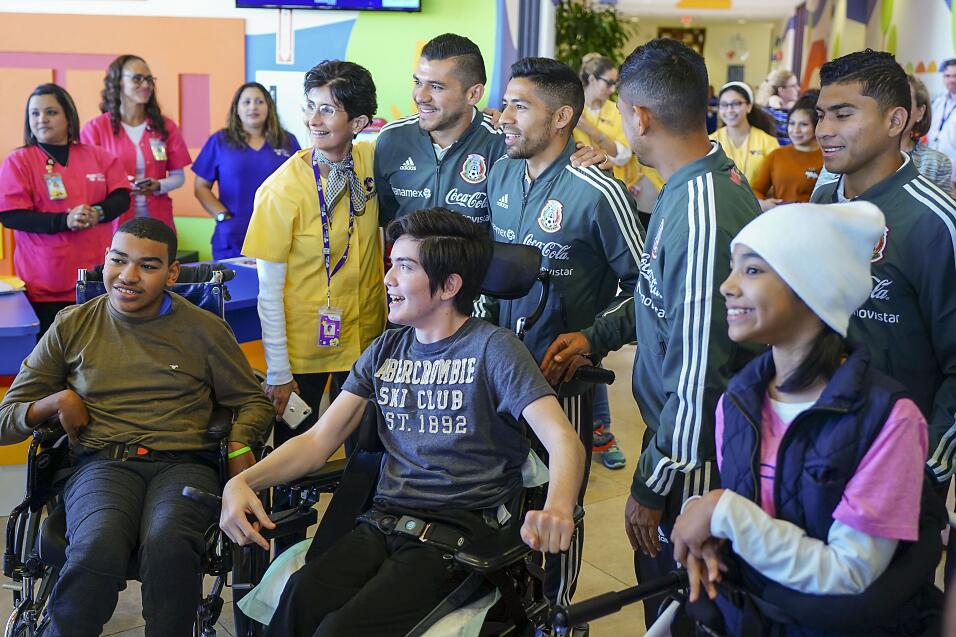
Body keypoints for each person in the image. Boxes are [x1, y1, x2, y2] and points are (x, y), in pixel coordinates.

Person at [219, 207, 585, 637]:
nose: (388, 279)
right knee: (299, 599)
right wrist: (242, 483)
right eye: (391, 264)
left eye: (405, 267)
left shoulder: (495, 349)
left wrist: (558, 506)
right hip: (381, 521)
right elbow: (318, 438)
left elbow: (563, 440)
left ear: (449, 285)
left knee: (340, 630)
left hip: (456, 538)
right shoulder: (386, 349)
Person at [0, 217, 274, 637]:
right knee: (96, 546)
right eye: (118, 260)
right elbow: (6, 419)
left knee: (169, 547)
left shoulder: (204, 330)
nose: (128, 276)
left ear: (172, 273)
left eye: (147, 266)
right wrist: (55, 402)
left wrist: (239, 444)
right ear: (105, 260)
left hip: (184, 463)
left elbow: (252, 400)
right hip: (102, 464)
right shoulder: (73, 325)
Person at [671, 201, 935, 635]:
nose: (727, 286)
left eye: (753, 271)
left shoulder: (890, 420)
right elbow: (749, 506)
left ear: (812, 288)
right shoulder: (736, 400)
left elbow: (848, 573)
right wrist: (710, 524)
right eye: (733, 268)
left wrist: (723, 512)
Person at [588, 39, 761, 629]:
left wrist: (652, 481)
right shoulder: (683, 186)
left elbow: (702, 367)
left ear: (639, 117)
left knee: (682, 607)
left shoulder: (703, 206)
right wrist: (596, 336)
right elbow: (654, 294)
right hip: (678, 442)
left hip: (697, 460)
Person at [486, 56, 643, 605]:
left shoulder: (599, 191)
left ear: (562, 118)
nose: (504, 116)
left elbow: (648, 287)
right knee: (506, 499)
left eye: (519, 105)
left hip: (563, 385)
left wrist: (594, 338)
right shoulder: (502, 172)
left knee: (559, 508)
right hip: (497, 379)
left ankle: (556, 611)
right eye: (505, 102)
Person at [810, 49, 956, 584]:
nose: (825, 128)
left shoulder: (934, 223)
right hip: (819, 452)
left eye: (843, 114)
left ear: (897, 120)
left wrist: (923, 471)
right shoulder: (823, 199)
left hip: (898, 471)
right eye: (821, 112)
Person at [241, 60, 385, 550]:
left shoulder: (369, 163)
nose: (314, 119)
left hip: (366, 342)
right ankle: (284, 551)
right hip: (301, 355)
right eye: (310, 107)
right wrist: (277, 371)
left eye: (329, 109)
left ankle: (357, 547)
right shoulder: (281, 190)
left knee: (366, 457)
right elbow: (267, 291)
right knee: (296, 461)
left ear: (359, 123)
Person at [374, 33, 604, 228]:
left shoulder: (507, 143)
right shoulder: (391, 139)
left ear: (473, 94)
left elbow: (552, 176)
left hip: (481, 280)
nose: (420, 96)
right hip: (408, 278)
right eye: (417, 82)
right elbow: (384, 221)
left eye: (436, 86)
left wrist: (583, 156)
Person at [0, 83, 130, 335]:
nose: (42, 119)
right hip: (45, 285)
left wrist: (98, 212)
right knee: (55, 361)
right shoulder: (18, 161)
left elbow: (121, 196)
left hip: (97, 279)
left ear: (68, 116)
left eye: (51, 112)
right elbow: (10, 214)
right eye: (35, 114)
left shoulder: (97, 156)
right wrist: (64, 221)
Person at [81, 54, 191, 232]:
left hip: (158, 219)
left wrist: (159, 186)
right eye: (137, 79)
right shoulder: (95, 128)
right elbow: (86, 179)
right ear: (118, 83)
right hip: (113, 222)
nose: (146, 85)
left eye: (149, 79)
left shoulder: (165, 127)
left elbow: (179, 177)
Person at [193, 82, 301, 259]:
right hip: (231, 236)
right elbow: (200, 187)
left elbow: (300, 184)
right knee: (231, 287)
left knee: (275, 287)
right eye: (247, 102)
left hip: (278, 235)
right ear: (237, 108)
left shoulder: (287, 141)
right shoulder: (220, 141)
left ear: (269, 107)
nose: (253, 107)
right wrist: (222, 216)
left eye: (259, 101)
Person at [574, 52, 663, 229]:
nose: (613, 89)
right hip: (576, 187)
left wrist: (589, 129)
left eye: (615, 84)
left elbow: (623, 154)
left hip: (614, 188)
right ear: (592, 79)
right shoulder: (572, 108)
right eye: (608, 83)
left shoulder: (617, 110)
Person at [751, 93, 823, 210]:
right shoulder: (776, 155)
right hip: (780, 219)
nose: (796, 130)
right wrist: (763, 204)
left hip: (812, 220)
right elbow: (756, 189)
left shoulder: (827, 158)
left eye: (803, 124)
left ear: (816, 126)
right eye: (792, 123)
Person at [710, 81, 780, 184]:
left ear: (749, 106)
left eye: (736, 104)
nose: (730, 110)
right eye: (724, 105)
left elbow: (776, 181)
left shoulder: (768, 141)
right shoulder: (710, 142)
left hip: (757, 199)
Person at [905, 74, 953, 194]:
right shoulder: (866, 154)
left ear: (920, 112)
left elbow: (941, 211)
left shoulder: (937, 164)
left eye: (906, 101)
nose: (897, 109)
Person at [928, 58, 956, 189]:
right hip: (932, 169)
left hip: (953, 176)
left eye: (955, 76)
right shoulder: (938, 103)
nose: (951, 80)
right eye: (948, 76)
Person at [758, 68, 801, 145]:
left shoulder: (795, 110)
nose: (798, 88)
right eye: (793, 86)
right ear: (781, 90)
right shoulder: (768, 112)